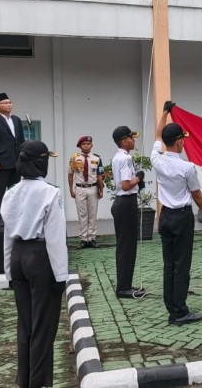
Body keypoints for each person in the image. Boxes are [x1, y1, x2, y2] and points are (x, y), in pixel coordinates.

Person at [1, 140, 68, 387]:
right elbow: (55, 238)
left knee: (25, 325)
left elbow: (8, 234)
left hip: (18, 256)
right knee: (43, 327)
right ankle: (38, 383)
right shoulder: (51, 193)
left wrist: (9, 270)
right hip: (40, 258)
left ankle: (25, 381)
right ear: (42, 162)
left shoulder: (10, 192)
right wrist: (61, 276)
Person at [156, 101, 202, 326]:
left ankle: (171, 307)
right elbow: (197, 196)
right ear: (180, 141)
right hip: (182, 217)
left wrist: (165, 113)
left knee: (169, 265)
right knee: (182, 265)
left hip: (165, 217)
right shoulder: (187, 168)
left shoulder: (157, 159)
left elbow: (158, 134)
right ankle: (180, 311)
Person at [110, 126, 146, 299]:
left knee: (125, 246)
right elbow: (125, 185)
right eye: (132, 138)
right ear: (124, 141)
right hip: (126, 203)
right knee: (127, 246)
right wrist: (139, 177)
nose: (134, 140)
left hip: (122, 203)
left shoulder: (118, 157)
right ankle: (123, 287)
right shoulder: (125, 159)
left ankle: (125, 283)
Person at [0, 92, 25, 224]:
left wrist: (24, 157)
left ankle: (14, 214)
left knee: (15, 190)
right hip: (2, 162)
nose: (9, 105)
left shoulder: (16, 120)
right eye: (5, 103)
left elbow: (20, 140)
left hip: (17, 161)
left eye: (10, 102)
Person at [68, 135, 105, 249]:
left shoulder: (97, 158)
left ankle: (92, 238)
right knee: (82, 214)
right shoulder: (74, 158)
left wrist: (101, 189)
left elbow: (99, 175)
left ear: (92, 145)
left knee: (92, 213)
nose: (86, 145)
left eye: (88, 144)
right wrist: (71, 189)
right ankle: (84, 239)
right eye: (84, 144)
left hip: (93, 188)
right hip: (80, 188)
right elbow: (70, 174)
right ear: (80, 146)